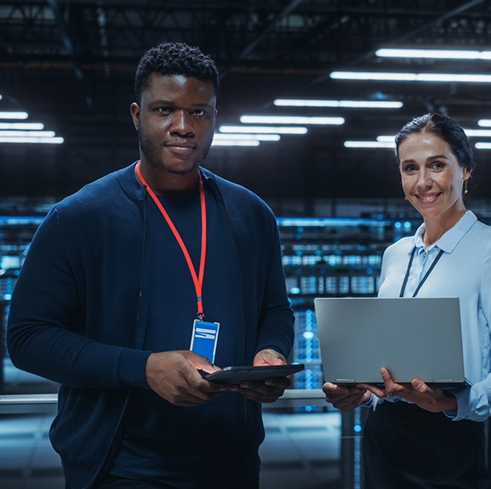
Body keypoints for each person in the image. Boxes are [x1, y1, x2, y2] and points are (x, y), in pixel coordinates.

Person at [7, 42, 295, 489]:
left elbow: (275, 310)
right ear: (138, 115)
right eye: (165, 109)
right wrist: (142, 369)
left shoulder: (250, 214)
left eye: (200, 112)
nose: (184, 126)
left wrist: (270, 354)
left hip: (231, 463)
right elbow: (28, 337)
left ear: (215, 118)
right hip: (122, 467)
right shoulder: (80, 217)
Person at [322, 113, 491, 488]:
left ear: (465, 169)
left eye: (437, 165)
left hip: (448, 441)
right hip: (384, 436)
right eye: (410, 168)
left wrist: (453, 403)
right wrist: (358, 388)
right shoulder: (395, 254)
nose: (423, 182)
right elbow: (387, 356)